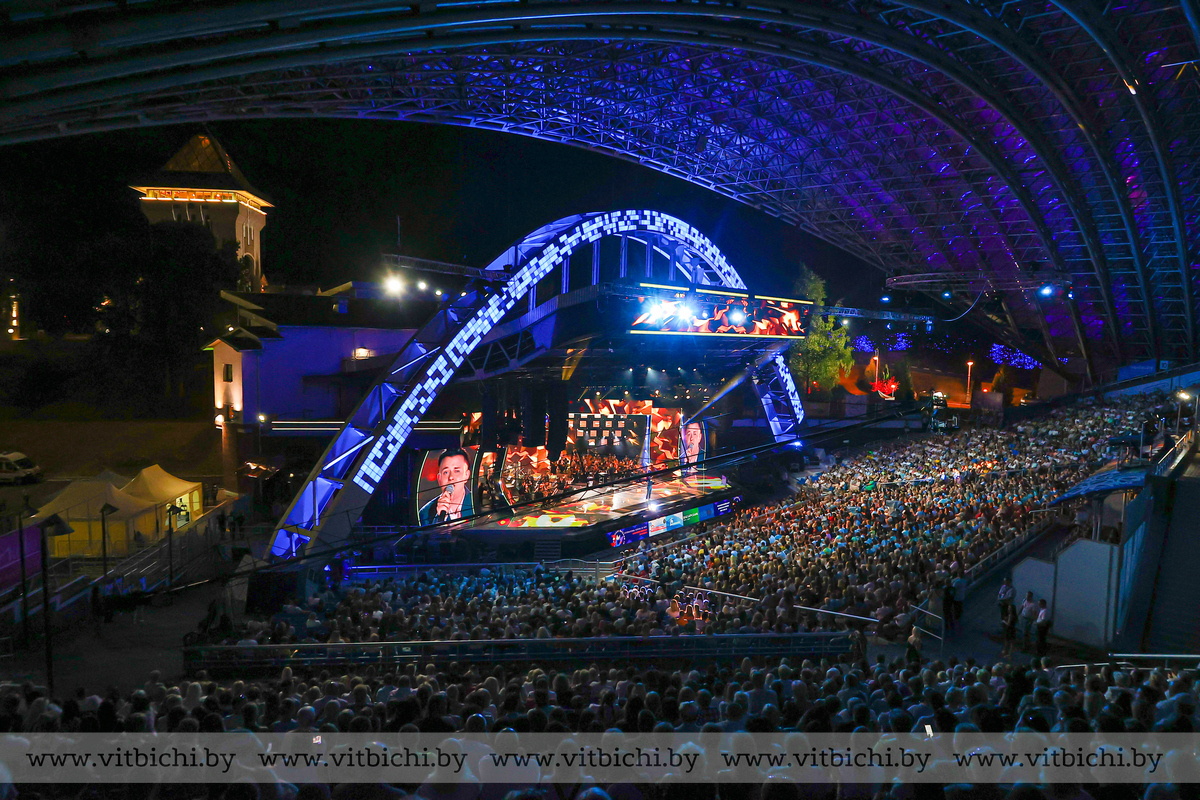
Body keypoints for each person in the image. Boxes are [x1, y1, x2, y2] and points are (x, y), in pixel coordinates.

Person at [418, 448, 475, 526]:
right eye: (446, 472)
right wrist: (439, 519)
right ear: (439, 479)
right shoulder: (425, 513)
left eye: (457, 471)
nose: (451, 477)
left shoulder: (477, 504)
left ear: (467, 475)